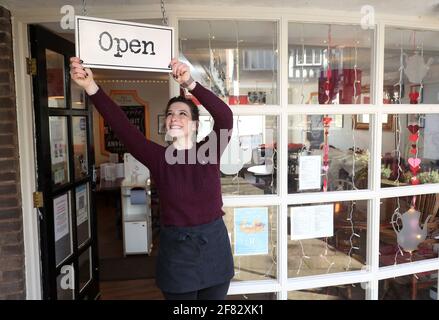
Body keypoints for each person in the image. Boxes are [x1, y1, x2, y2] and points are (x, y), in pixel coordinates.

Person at [70, 57, 234, 300]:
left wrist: (190, 83)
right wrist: (91, 88)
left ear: (195, 124)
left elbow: (225, 117)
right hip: (178, 257)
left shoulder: (209, 150)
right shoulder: (159, 158)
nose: (174, 117)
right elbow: (123, 127)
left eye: (182, 114)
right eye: (170, 114)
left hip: (215, 250)